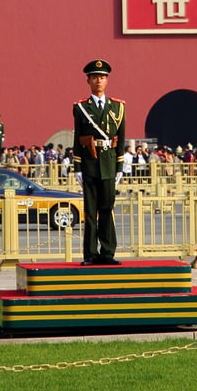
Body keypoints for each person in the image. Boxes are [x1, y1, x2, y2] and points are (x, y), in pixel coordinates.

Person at [71, 58, 125, 265]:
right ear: (88, 81)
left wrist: (120, 166)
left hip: (109, 164)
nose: (99, 81)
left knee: (107, 209)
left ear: (107, 81)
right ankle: (90, 254)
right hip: (90, 164)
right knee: (90, 211)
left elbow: (121, 138)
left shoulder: (119, 107)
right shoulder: (81, 108)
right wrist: (77, 167)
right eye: (95, 77)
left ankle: (108, 252)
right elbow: (77, 139)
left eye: (102, 78)